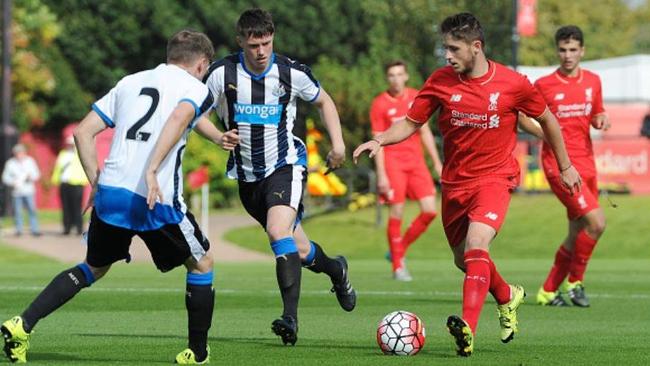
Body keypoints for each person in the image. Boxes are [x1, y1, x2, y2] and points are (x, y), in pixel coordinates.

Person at [353, 13, 581, 357]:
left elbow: (547, 119)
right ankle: (506, 295)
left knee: (477, 245)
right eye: (445, 48)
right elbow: (412, 122)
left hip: (495, 179)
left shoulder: (512, 83)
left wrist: (565, 166)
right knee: (465, 260)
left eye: (453, 48)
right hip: (455, 185)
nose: (447, 55)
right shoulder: (441, 81)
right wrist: (381, 140)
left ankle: (467, 330)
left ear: (476, 47)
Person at [1, 29, 230, 364]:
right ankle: (197, 353)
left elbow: (83, 132)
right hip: (155, 200)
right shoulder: (196, 88)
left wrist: (97, 183)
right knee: (202, 263)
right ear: (201, 64)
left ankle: (23, 324)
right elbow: (182, 117)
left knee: (94, 267)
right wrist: (152, 168)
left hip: (111, 193)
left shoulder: (130, 82)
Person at [202, 8, 356, 346]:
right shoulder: (221, 74)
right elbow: (194, 114)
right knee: (298, 249)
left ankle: (290, 319)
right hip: (247, 178)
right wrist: (216, 136)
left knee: (277, 232)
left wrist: (339, 144)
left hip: (285, 167)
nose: (261, 51)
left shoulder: (290, 72)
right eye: (254, 44)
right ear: (240, 40)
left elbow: (324, 102)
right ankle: (336, 270)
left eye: (266, 43)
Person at [530, 26, 609, 308]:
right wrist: (544, 134)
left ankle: (548, 291)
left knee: (578, 232)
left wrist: (601, 119)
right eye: (563, 50)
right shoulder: (544, 85)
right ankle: (575, 283)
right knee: (597, 222)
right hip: (559, 166)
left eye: (573, 49)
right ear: (557, 51)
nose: (568, 55)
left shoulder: (593, 81)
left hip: (587, 165)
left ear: (582, 51)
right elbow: (523, 119)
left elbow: (598, 113)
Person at [369, 60, 443, 281]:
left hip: (416, 162)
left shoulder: (415, 96)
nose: (396, 79)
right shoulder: (379, 104)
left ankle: (397, 249)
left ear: (406, 76)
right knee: (397, 212)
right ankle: (398, 266)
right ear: (387, 78)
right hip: (393, 164)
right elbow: (378, 141)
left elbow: (425, 132)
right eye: (391, 75)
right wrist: (381, 174)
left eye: (400, 74)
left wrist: (437, 162)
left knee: (430, 210)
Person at [51, 135, 88, 235]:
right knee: (65, 207)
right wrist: (55, 180)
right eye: (68, 144)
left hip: (77, 184)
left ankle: (79, 228)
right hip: (64, 183)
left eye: (72, 144)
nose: (69, 146)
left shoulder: (79, 154)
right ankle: (66, 228)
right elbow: (58, 168)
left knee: (77, 207)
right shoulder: (63, 154)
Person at [1, 144, 41, 236]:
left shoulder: (30, 161)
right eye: (17, 153)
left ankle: (35, 229)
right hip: (16, 192)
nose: (19, 155)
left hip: (29, 191)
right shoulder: (10, 163)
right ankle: (19, 229)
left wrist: (31, 177)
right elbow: (5, 177)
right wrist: (12, 182)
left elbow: (37, 174)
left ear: (24, 153)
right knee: (18, 211)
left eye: (21, 152)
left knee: (32, 210)